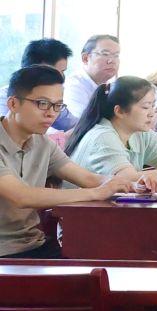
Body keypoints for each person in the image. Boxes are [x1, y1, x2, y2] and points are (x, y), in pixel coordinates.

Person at [0, 66, 143, 256]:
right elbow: (22, 197)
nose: (51, 113)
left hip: (33, 244)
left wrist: (129, 185)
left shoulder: (42, 142)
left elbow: (89, 179)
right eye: (42, 103)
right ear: (13, 104)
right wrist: (96, 193)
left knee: (109, 259)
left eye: (57, 105)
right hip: (5, 252)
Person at [61, 34, 119, 129]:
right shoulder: (74, 86)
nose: (112, 61)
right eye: (105, 54)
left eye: (116, 55)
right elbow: (84, 124)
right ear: (85, 58)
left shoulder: (112, 86)